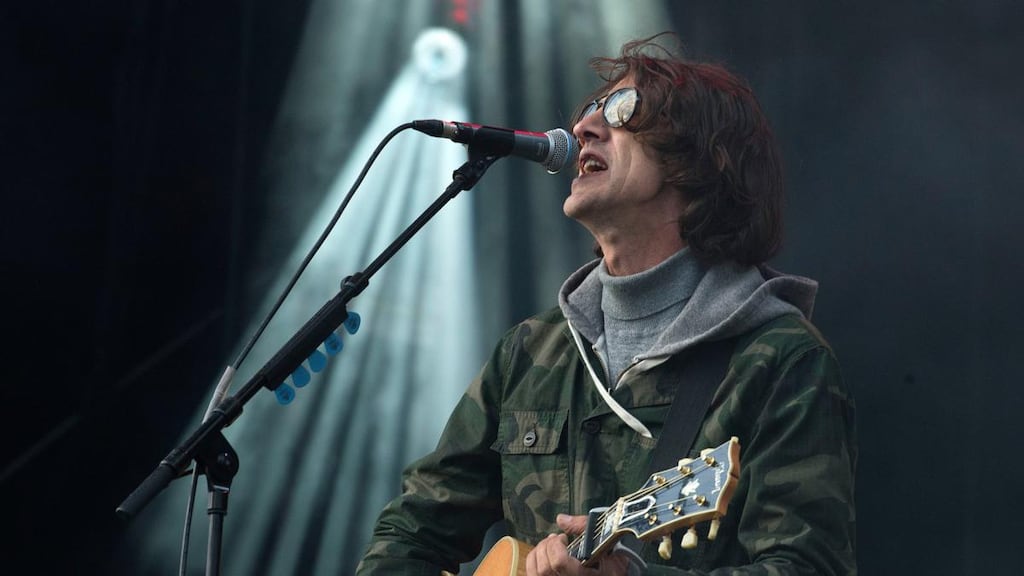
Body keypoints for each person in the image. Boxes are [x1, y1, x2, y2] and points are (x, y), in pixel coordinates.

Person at [356, 34, 856, 575]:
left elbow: (809, 567)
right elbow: (412, 531)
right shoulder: (530, 352)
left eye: (622, 110)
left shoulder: (779, 360)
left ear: (702, 161)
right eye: (588, 111)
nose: (583, 129)